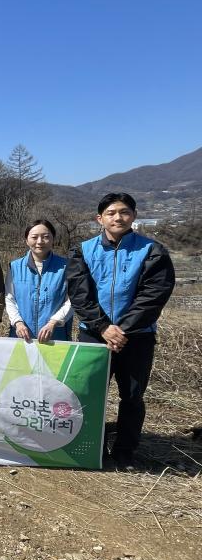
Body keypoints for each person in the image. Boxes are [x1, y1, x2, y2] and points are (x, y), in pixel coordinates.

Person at [67, 193, 175, 467]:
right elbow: (79, 294)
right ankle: (92, 446)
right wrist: (103, 327)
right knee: (90, 393)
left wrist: (123, 330)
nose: (118, 217)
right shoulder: (83, 250)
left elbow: (154, 294)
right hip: (94, 334)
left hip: (137, 337)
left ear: (134, 216)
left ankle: (125, 452)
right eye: (111, 213)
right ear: (99, 218)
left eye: (125, 212)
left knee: (132, 395)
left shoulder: (153, 250)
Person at [5, 220, 73, 343]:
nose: (40, 241)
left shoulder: (66, 266)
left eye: (46, 237)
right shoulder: (14, 267)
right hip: (22, 337)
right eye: (34, 237)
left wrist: (53, 323)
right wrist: (18, 322)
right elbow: (9, 299)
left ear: (53, 239)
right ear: (26, 240)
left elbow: (71, 301)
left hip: (55, 337)